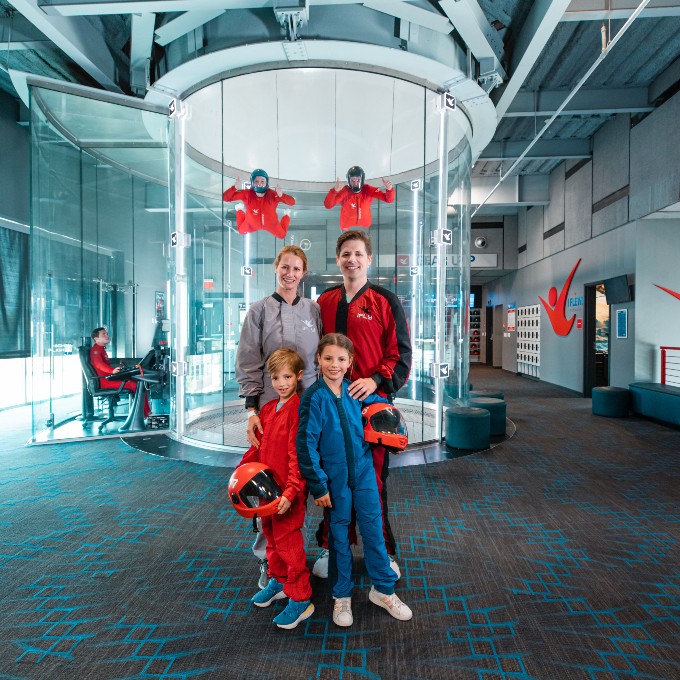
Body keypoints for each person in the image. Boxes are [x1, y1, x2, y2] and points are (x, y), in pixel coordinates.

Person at [313, 230, 412, 579]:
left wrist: (376, 380)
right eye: (345, 254)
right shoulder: (323, 302)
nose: (351, 259)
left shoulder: (385, 301)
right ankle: (330, 547)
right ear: (338, 260)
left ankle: (381, 551)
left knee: (373, 483)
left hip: (372, 407)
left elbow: (400, 354)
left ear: (369, 259)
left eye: (358, 254)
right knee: (334, 479)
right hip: (331, 408)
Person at [297, 333, 412, 627]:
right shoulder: (313, 397)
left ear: (350, 363)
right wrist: (318, 485)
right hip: (334, 481)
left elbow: (384, 410)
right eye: (328, 358)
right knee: (339, 538)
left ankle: (383, 590)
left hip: (363, 474)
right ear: (318, 360)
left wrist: (392, 429)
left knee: (374, 531)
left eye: (341, 359)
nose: (334, 365)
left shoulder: (356, 391)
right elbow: (306, 445)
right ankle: (342, 595)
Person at [235, 245, 322, 588]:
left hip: (310, 407)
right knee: (269, 480)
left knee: (306, 475)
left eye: (296, 268)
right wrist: (251, 410)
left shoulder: (313, 310)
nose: (290, 273)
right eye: (285, 267)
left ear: (304, 273)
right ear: (276, 269)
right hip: (272, 410)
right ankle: (267, 557)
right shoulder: (259, 311)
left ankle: (308, 550)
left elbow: (318, 359)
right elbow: (248, 361)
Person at [238, 349, 314, 630]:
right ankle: (278, 581)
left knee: (290, 545)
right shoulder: (268, 410)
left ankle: (301, 598)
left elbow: (299, 458)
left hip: (287, 496)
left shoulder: (298, 412)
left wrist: (292, 492)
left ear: (299, 376)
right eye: (275, 378)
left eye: (287, 377)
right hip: (266, 493)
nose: (281, 383)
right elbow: (256, 450)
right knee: (270, 537)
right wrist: (240, 478)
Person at [89, 327, 150, 418]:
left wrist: (116, 369)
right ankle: (144, 414)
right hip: (104, 382)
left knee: (137, 383)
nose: (107, 336)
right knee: (136, 385)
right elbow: (99, 364)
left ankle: (144, 413)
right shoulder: (96, 351)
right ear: (96, 339)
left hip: (107, 379)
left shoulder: (101, 349)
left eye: (107, 334)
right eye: (103, 334)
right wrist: (112, 370)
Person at [222, 169, 295, 238]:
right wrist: (234, 188)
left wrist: (282, 195)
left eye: (262, 181)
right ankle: (239, 210)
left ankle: (287, 215)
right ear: (252, 183)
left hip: (272, 225)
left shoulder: (273, 194)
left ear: (266, 182)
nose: (259, 184)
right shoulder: (247, 194)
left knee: (282, 235)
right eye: (256, 181)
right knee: (241, 231)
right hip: (251, 224)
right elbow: (225, 198)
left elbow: (292, 202)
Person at [323, 165, 394, 230]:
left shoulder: (368, 190)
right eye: (352, 180)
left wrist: (389, 189)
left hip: (365, 222)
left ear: (362, 180)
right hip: (346, 223)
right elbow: (328, 205)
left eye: (358, 180)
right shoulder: (344, 191)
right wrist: (334, 191)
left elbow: (388, 199)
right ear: (348, 181)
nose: (355, 183)